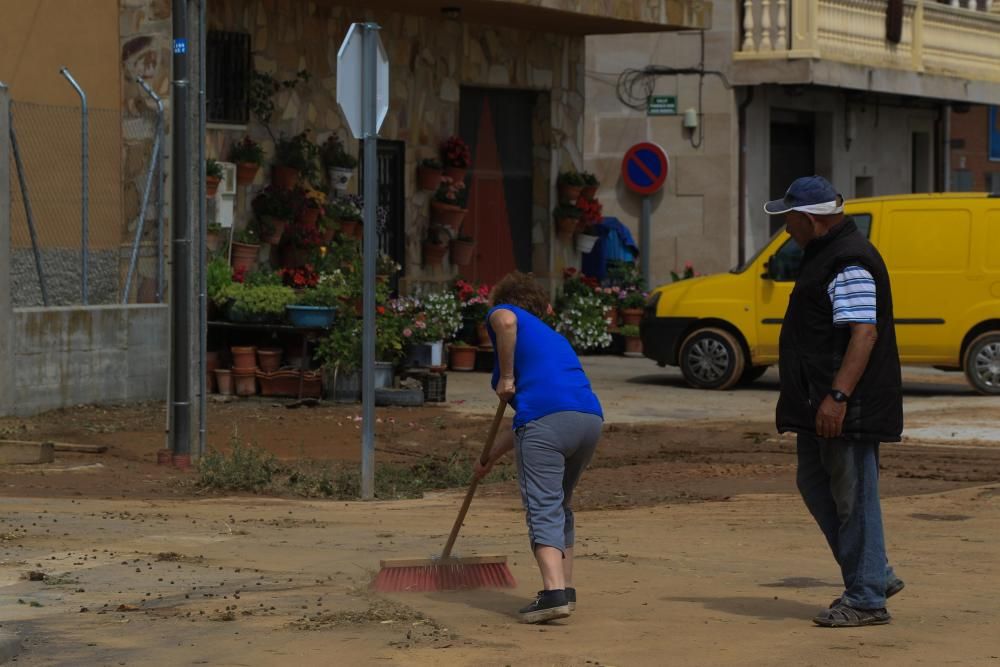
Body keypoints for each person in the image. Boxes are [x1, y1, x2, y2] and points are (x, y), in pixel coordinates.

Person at [764, 176, 905, 628]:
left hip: (846, 406)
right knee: (814, 482)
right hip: (817, 404)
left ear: (808, 219)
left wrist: (838, 397)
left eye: (788, 218)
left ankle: (866, 597)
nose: (785, 228)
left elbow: (863, 334)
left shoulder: (848, 261)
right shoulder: (825, 254)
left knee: (854, 497)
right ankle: (874, 572)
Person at [473, 271, 604, 624]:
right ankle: (566, 587)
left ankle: (552, 594)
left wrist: (506, 376)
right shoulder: (551, 338)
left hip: (548, 422)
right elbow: (527, 424)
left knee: (543, 506)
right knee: (560, 504)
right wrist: (488, 458)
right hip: (587, 419)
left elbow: (504, 319)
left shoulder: (505, 316)